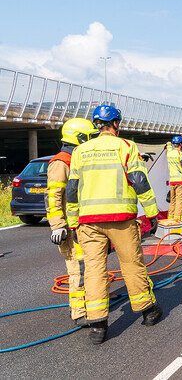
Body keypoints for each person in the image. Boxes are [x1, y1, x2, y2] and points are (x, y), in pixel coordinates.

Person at [66, 105, 161, 344]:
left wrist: (72, 221)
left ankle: (98, 326)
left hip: (89, 221)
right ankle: (148, 312)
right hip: (121, 219)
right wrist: (152, 213)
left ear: (97, 124)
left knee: (94, 270)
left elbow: (72, 190)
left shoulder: (80, 151)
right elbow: (139, 181)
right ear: (116, 123)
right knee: (131, 264)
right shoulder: (126, 146)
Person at [47, 117, 99, 327]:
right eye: (88, 137)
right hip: (70, 227)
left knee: (88, 267)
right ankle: (79, 312)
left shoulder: (77, 159)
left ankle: (86, 304)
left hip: (81, 224)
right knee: (77, 269)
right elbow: (54, 196)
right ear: (78, 138)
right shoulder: (61, 162)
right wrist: (58, 225)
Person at [166, 135, 182, 223]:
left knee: (173, 202)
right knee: (180, 202)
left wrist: (168, 144)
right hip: (181, 182)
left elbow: (168, 147)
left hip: (172, 182)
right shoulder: (181, 154)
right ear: (180, 144)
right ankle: (177, 222)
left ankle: (170, 220)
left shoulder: (169, 153)